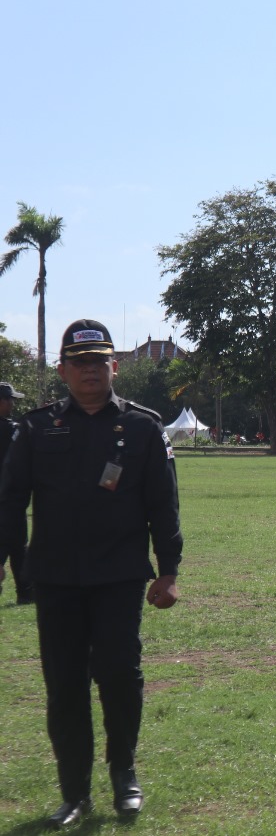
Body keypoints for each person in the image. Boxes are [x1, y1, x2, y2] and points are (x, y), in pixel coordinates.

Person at [0, 319, 182, 828]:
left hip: (119, 574)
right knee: (64, 685)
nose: (90, 371)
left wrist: (169, 570)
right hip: (55, 577)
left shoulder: (143, 427)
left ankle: (124, 773)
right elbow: (10, 500)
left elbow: (163, 502)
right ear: (62, 371)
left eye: (98, 362)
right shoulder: (37, 427)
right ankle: (74, 792)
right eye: (79, 363)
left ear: (114, 367)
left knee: (120, 674)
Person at [0, 380, 33, 604]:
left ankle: (26, 590)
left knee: (14, 545)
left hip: (9, 498)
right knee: (16, 545)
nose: (13, 404)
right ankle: (25, 591)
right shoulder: (10, 429)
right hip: (9, 498)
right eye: (10, 400)